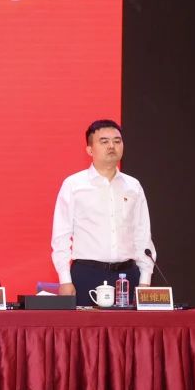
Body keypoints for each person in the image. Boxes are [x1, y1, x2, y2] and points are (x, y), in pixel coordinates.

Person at [51, 119, 155, 306]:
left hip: (128, 275)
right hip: (87, 274)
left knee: (128, 326)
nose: (112, 146)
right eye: (104, 141)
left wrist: (145, 280)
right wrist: (65, 280)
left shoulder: (133, 186)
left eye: (117, 141)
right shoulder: (74, 185)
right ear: (90, 150)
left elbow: (142, 234)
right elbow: (61, 236)